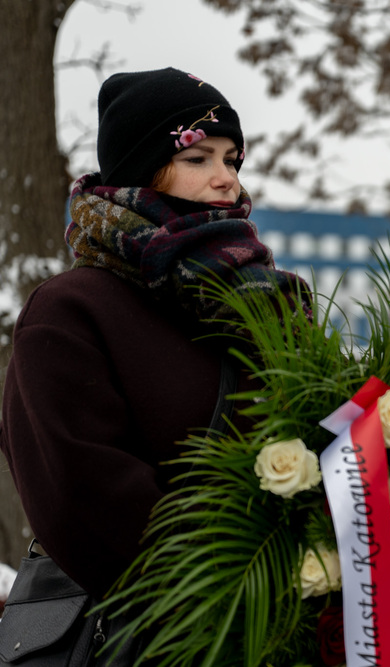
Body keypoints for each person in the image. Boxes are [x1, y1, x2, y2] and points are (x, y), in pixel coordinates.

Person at [0, 67, 306, 600]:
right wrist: (229, 586)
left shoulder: (275, 300)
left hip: (286, 615)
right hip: (158, 625)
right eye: (198, 158)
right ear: (142, 170)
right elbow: (82, 494)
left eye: (231, 159)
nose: (226, 177)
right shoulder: (71, 311)